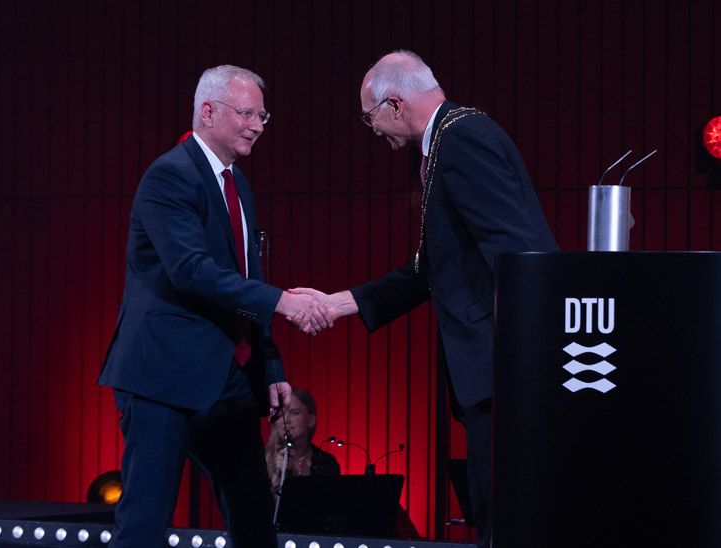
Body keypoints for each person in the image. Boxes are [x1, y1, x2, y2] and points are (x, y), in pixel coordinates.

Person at [291, 50, 559, 547]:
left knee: (508, 513)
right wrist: (338, 303)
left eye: (370, 117)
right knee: (492, 508)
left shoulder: (461, 140)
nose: (372, 130)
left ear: (394, 105)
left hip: (504, 367)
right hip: (495, 371)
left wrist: (522, 360)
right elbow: (432, 268)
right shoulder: (449, 141)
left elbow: (517, 252)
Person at [98, 65, 332, 548]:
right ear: (208, 112)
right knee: (143, 523)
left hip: (226, 380)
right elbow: (192, 271)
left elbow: (248, 278)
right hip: (163, 378)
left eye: (263, 116)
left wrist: (271, 367)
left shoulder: (237, 184)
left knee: (252, 516)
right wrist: (283, 302)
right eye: (247, 113)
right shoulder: (169, 176)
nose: (258, 125)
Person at [265, 388, 340, 497]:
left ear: (311, 420)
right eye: (280, 414)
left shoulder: (325, 462)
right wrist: (277, 476)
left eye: (295, 413)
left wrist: (302, 479)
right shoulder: (259, 460)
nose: (287, 420)